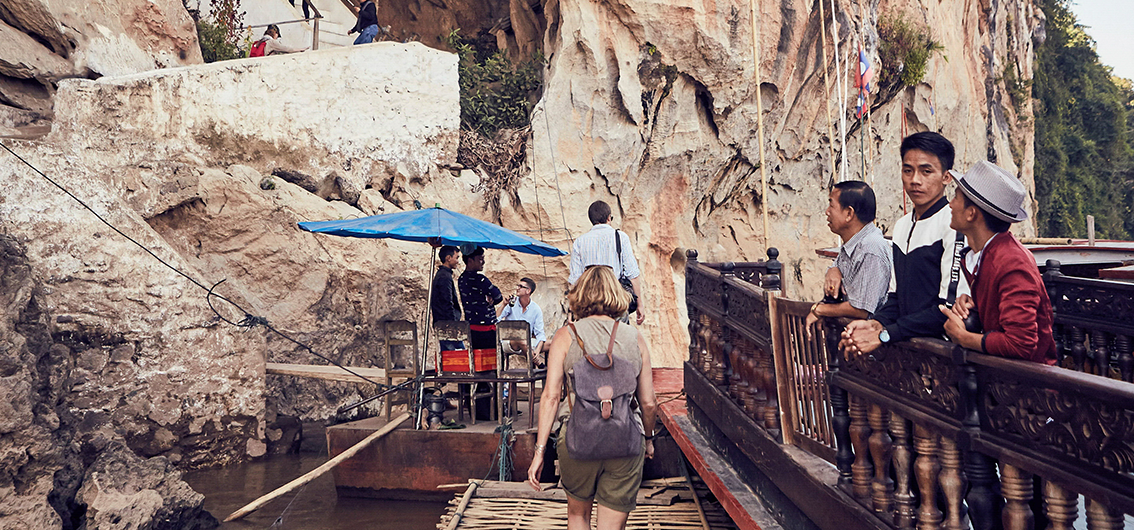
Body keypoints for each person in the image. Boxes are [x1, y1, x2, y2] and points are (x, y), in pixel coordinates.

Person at [527, 266, 657, 530]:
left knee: (578, 515)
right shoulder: (635, 338)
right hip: (625, 441)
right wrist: (650, 438)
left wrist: (539, 452)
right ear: (617, 295)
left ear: (580, 295)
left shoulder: (565, 336)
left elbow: (551, 397)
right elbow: (648, 403)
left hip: (577, 441)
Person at [841, 132, 969, 356]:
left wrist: (886, 334)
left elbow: (946, 309)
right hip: (907, 348)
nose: (915, 180)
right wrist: (876, 324)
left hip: (941, 352)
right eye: (907, 170)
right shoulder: (901, 226)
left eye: (926, 171)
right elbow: (895, 296)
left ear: (946, 177)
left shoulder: (953, 225)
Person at [940, 161, 1056, 364]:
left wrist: (963, 337)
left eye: (956, 197)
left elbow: (1021, 344)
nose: (950, 204)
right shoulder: (986, 254)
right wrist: (974, 306)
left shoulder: (1012, 264)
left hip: (1030, 386)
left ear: (971, 214)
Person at [807, 181, 892, 333]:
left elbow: (862, 309)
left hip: (874, 345)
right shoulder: (855, 243)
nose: (827, 211)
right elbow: (838, 266)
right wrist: (834, 268)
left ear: (849, 214)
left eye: (831, 205)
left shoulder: (870, 247)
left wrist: (819, 310)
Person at [569, 200, 645, 325]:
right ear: (609, 218)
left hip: (589, 303)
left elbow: (575, 280)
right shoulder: (621, 237)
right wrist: (639, 304)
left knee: (592, 342)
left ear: (591, 220)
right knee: (618, 339)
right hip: (616, 300)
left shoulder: (580, 242)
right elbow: (633, 274)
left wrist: (572, 310)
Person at [458, 246, 504, 350]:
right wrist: (490, 297)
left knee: (476, 360)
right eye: (480, 259)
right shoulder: (481, 280)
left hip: (471, 327)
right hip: (487, 329)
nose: (483, 262)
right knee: (493, 360)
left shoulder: (461, 279)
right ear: (470, 260)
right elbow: (498, 296)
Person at [497, 277, 548, 364]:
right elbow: (496, 319)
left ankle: (548, 370)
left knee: (551, 343)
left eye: (521, 286)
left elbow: (540, 333)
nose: (517, 288)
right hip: (510, 341)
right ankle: (538, 364)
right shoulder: (511, 303)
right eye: (518, 286)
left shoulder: (536, 309)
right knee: (522, 341)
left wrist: (538, 350)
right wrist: (504, 304)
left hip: (527, 342)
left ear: (528, 291)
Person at [430, 245, 463, 351]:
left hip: (443, 322)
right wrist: (453, 324)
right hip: (446, 324)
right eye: (456, 257)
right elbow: (447, 302)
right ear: (448, 258)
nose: (458, 261)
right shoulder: (444, 277)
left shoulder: (443, 275)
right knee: (456, 355)